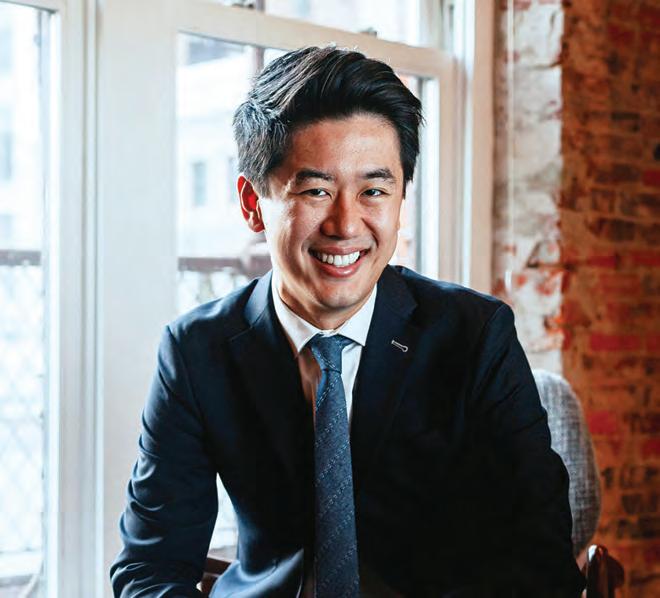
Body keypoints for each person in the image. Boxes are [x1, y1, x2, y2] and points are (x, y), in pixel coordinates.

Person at [111, 46, 586, 597]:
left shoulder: (474, 335)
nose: (345, 224)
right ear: (252, 202)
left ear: (401, 197)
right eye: (316, 190)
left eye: (374, 191)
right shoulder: (198, 350)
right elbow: (150, 569)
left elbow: (540, 562)